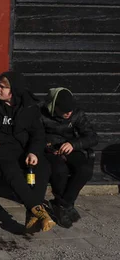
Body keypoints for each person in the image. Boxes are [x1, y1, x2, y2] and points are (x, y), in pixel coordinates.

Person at [0, 71, 55, 232]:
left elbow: (38, 134)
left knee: (43, 166)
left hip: (23, 149)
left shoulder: (29, 107)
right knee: (11, 170)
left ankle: (32, 213)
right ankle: (38, 210)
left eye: (2, 87)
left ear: (14, 89)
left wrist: (33, 152)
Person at [41, 88, 97, 228]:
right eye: (64, 110)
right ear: (54, 107)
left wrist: (74, 144)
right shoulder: (41, 114)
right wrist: (48, 147)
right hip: (49, 150)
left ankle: (61, 204)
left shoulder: (76, 114)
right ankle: (65, 206)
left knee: (85, 169)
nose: (68, 113)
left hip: (70, 147)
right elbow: (34, 136)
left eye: (70, 110)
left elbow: (92, 137)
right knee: (59, 170)